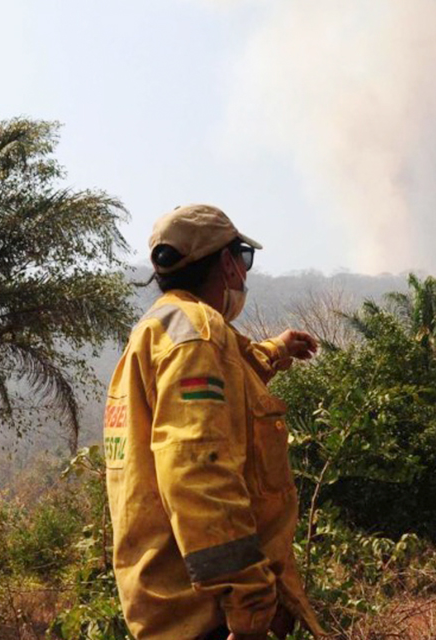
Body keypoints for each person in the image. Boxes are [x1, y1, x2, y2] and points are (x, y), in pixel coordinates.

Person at [102, 204, 325, 640]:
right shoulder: (199, 336)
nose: (243, 272)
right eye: (242, 259)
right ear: (227, 264)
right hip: (210, 616)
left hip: (167, 608)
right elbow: (197, 472)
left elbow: (223, 391)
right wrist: (250, 606)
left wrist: (276, 351)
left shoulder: (160, 329)